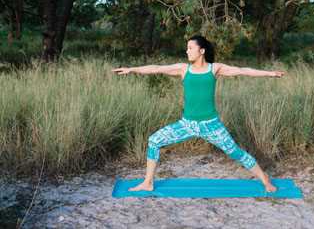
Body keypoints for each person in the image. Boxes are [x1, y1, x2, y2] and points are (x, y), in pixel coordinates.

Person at [112, 35, 285, 193]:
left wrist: (269, 73)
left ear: (201, 51)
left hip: (212, 125)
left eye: (190, 48)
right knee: (154, 140)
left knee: (236, 152)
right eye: (187, 48)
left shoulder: (214, 69)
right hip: (187, 124)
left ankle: (265, 181)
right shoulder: (183, 69)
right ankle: (148, 182)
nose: (187, 51)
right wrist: (131, 69)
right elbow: (156, 68)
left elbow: (243, 70)